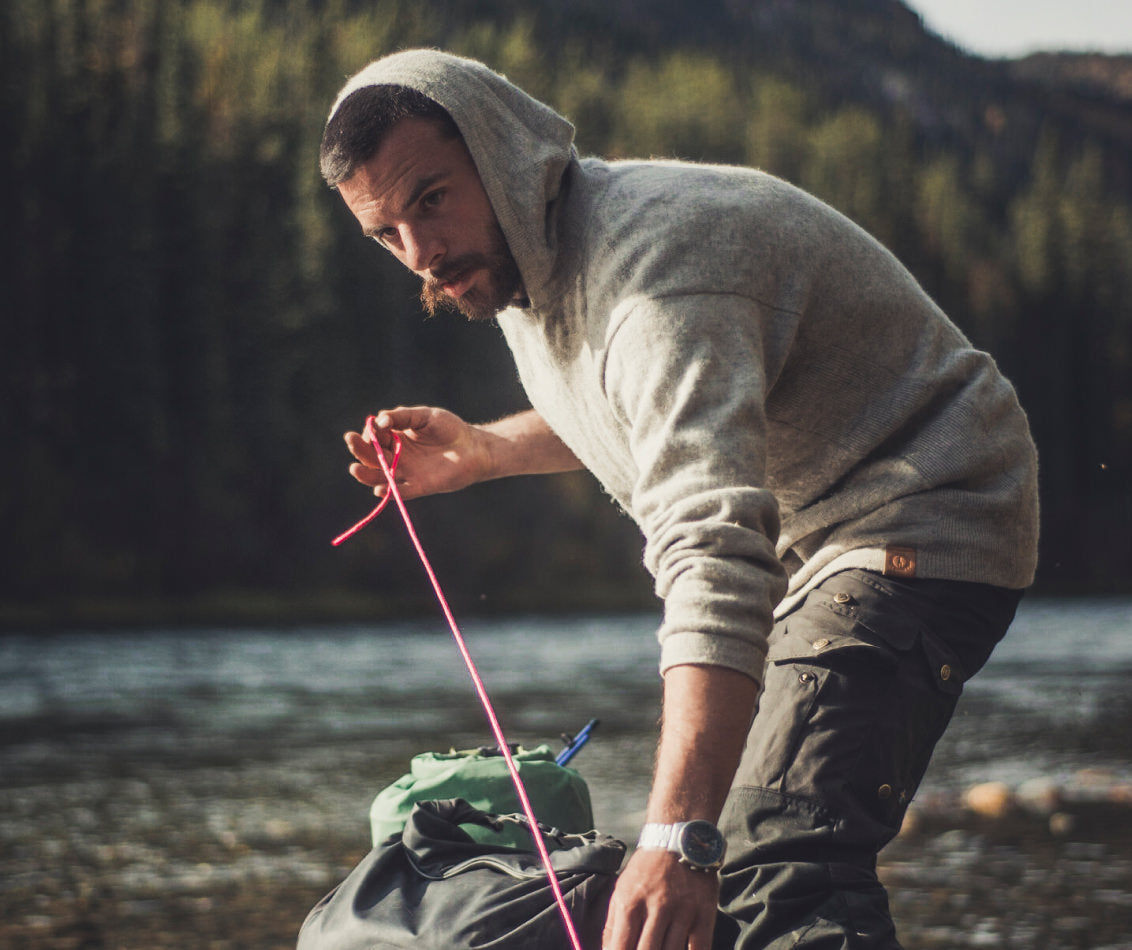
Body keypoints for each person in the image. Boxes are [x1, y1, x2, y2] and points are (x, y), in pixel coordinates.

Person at [319, 49, 1039, 950]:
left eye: (431, 198)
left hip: (927, 508)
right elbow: (645, 408)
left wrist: (676, 839)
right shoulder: (529, 264)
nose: (420, 253)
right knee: (738, 858)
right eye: (387, 234)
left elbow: (714, 551)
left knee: (778, 863)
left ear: (501, 152)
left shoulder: (657, 273)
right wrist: (486, 451)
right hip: (820, 543)